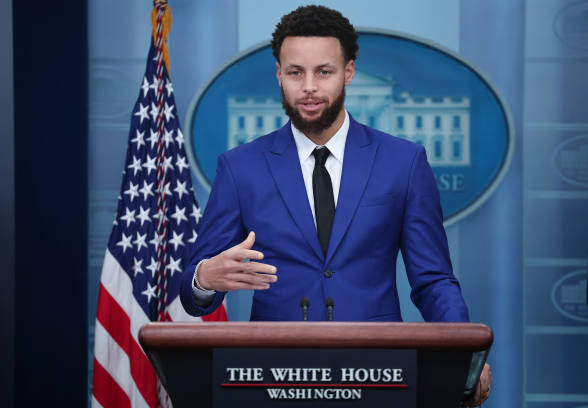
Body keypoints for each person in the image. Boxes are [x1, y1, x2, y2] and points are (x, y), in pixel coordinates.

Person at [179, 5, 491, 406]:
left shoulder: (404, 162)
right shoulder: (240, 168)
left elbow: (433, 280)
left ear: (348, 72)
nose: (309, 86)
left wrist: (463, 353)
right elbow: (192, 292)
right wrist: (205, 276)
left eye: (323, 71)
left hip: (380, 375)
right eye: (295, 72)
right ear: (278, 73)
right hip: (271, 377)